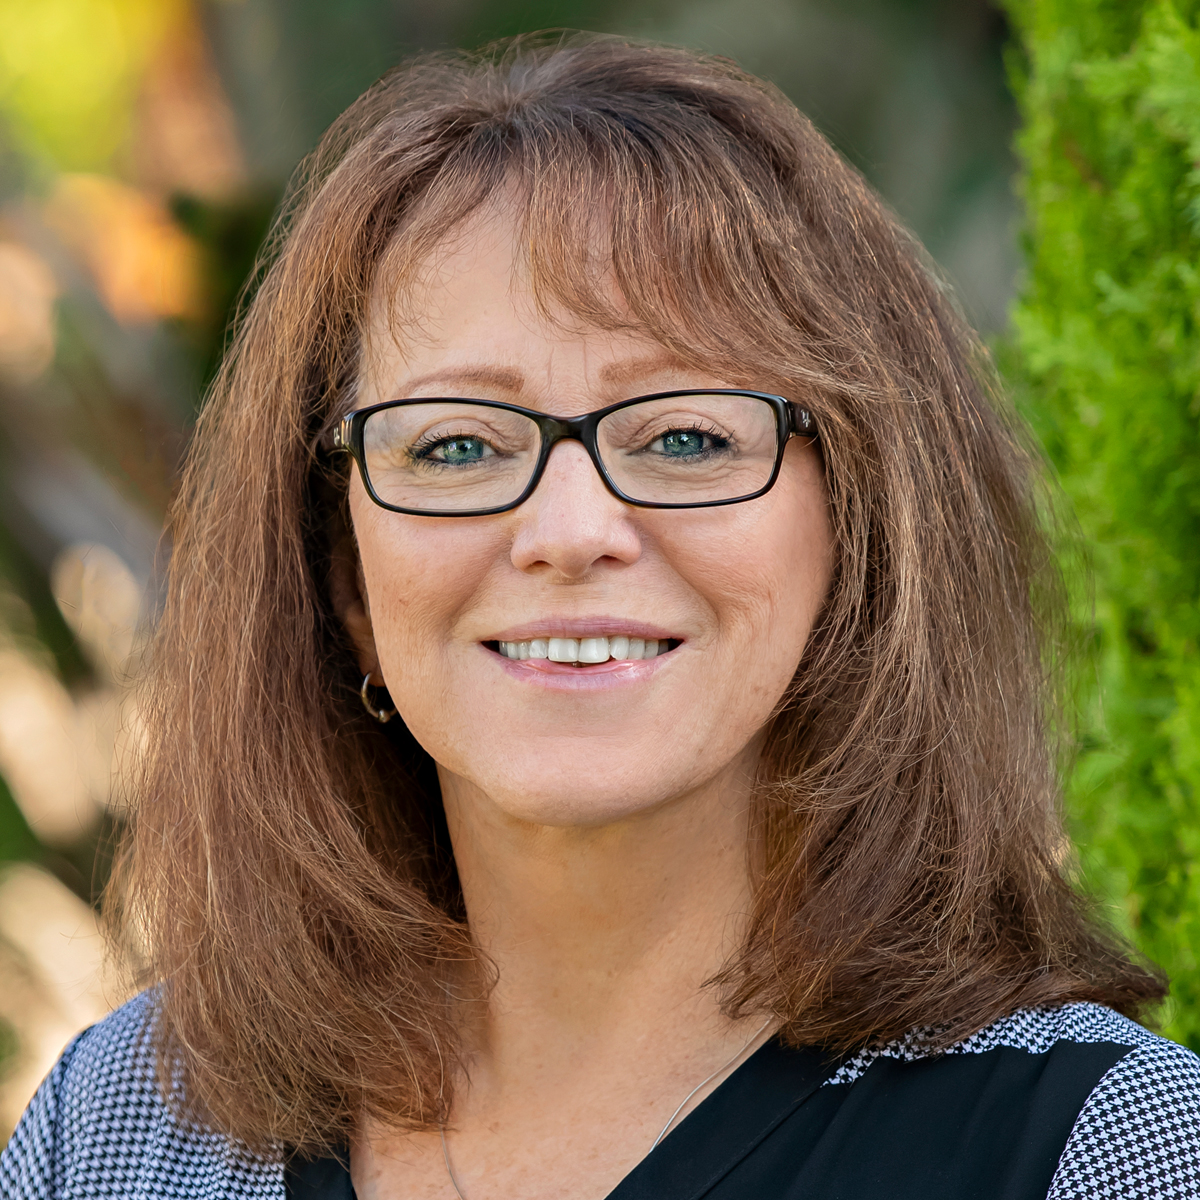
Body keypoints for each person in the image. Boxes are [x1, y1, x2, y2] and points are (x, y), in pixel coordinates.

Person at [2, 33, 1198, 1200]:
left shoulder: (1098, 1157)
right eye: (457, 444)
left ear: (863, 527)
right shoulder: (128, 1136)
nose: (571, 531)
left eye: (684, 436)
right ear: (343, 577)